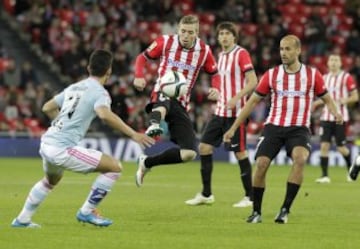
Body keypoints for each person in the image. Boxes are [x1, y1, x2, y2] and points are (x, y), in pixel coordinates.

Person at [11, 49, 155, 228]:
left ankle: (22, 220)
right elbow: (104, 114)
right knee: (114, 168)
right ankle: (86, 211)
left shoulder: (74, 87)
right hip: (62, 148)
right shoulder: (100, 93)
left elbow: (47, 107)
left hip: (47, 142)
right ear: (109, 71)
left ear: (88, 68)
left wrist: (60, 124)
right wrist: (134, 134)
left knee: (50, 181)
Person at [223, 35, 342, 224]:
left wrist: (336, 113)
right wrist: (233, 127)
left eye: (287, 49)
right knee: (261, 164)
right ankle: (256, 212)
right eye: (281, 49)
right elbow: (252, 102)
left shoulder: (312, 75)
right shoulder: (272, 75)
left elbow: (326, 97)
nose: (283, 53)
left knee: (300, 159)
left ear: (298, 51)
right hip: (274, 127)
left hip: (299, 128)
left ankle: (285, 210)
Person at [133, 15, 220, 187]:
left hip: (181, 103)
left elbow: (215, 73)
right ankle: (154, 124)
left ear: (197, 33)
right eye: (183, 31)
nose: (185, 35)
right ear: (178, 30)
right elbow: (142, 58)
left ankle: (147, 163)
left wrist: (216, 88)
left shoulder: (204, 50)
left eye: (190, 32)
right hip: (162, 90)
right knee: (165, 99)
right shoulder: (165, 42)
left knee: (189, 154)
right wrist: (138, 76)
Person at [185, 22, 257, 207]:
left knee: (240, 153)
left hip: (237, 112)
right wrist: (216, 91)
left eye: (228, 33)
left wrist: (236, 97)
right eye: (221, 33)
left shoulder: (241, 54)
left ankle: (250, 196)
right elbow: (221, 81)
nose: (224, 36)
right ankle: (207, 194)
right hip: (220, 111)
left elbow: (253, 82)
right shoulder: (221, 56)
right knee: (204, 147)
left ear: (234, 37)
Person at [312, 54, 359, 183]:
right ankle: (324, 176)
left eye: (336, 60)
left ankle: (351, 170)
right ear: (327, 63)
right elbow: (324, 98)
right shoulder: (324, 78)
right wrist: (316, 103)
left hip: (340, 117)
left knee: (341, 148)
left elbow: (355, 97)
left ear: (340, 63)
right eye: (331, 60)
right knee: (324, 146)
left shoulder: (346, 77)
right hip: (326, 117)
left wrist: (345, 100)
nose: (333, 62)